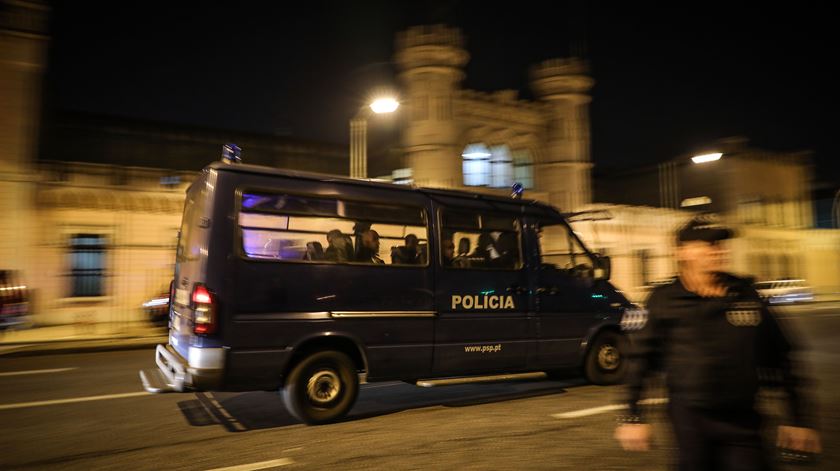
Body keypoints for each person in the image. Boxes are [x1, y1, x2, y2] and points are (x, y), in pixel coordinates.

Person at [614, 215, 821, 470]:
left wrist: (798, 417)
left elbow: (780, 355)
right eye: (708, 244)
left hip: (743, 420)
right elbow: (641, 360)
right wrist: (632, 415)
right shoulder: (663, 300)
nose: (718, 251)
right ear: (681, 252)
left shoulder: (745, 294)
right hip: (691, 422)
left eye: (721, 244)